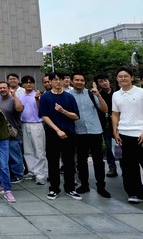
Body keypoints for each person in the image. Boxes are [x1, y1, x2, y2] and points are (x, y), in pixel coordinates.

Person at [111, 67, 143, 209]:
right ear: (117, 79)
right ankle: (135, 194)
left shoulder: (142, 93)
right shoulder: (116, 95)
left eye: (126, 76)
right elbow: (115, 114)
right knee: (129, 168)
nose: (123, 78)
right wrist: (115, 131)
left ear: (132, 78)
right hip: (124, 135)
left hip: (142, 135)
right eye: (120, 76)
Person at [38, 73, 82, 201]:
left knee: (69, 162)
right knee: (53, 161)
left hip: (68, 133)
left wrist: (63, 111)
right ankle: (54, 188)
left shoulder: (69, 97)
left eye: (60, 79)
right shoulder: (45, 97)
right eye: (55, 79)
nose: (58, 82)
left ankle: (70, 188)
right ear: (50, 82)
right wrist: (57, 130)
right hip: (52, 133)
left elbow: (76, 116)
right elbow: (44, 116)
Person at [68, 73, 111, 198]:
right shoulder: (68, 96)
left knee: (98, 161)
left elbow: (105, 109)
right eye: (76, 80)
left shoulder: (91, 93)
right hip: (79, 132)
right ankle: (84, 184)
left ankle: (101, 186)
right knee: (81, 161)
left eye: (82, 80)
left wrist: (98, 95)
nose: (79, 82)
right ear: (71, 81)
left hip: (95, 131)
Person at [19, 76, 46, 185]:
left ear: (34, 84)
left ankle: (40, 174)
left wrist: (37, 99)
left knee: (39, 150)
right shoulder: (20, 96)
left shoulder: (38, 95)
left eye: (31, 82)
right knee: (28, 150)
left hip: (36, 124)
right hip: (24, 124)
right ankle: (32, 171)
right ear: (23, 85)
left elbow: (42, 110)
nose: (29, 84)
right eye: (26, 82)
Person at [0, 82, 24, 184]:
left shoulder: (13, 99)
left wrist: (14, 96)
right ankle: (11, 175)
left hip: (14, 133)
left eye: (4, 88)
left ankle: (18, 175)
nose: (2, 90)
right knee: (7, 156)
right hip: (3, 134)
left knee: (15, 156)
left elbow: (20, 109)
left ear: (8, 89)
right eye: (0, 88)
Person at [94, 74, 118, 177]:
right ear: (98, 84)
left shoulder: (117, 93)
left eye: (105, 80)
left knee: (119, 146)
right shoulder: (98, 95)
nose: (104, 83)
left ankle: (124, 167)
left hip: (119, 124)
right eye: (101, 81)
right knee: (108, 146)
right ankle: (112, 167)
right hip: (106, 124)